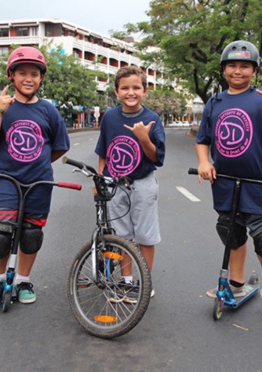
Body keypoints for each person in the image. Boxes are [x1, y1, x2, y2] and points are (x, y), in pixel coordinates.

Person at [195, 40, 262, 321]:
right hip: (224, 181)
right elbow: (203, 140)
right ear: (224, 70)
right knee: (231, 235)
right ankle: (235, 285)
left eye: (245, 66)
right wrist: (203, 161)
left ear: (254, 70)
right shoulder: (215, 102)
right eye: (232, 65)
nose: (238, 71)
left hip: (259, 183)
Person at [0, 46, 70, 304]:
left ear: (41, 79)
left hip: (39, 183)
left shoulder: (48, 111)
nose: (28, 78)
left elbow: (59, 146)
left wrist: (37, 162)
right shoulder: (1, 107)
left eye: (34, 73)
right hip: (6, 180)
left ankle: (23, 280)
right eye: (22, 73)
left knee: (31, 235)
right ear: (11, 76)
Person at [94, 65, 166, 303]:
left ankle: (143, 283)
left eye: (136, 87)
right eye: (125, 88)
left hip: (143, 183)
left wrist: (144, 138)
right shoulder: (110, 118)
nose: (130, 92)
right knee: (121, 236)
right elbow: (103, 151)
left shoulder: (152, 119)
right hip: (115, 184)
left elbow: (156, 157)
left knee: (145, 235)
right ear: (117, 92)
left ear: (145, 90)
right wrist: (100, 178)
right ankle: (126, 282)